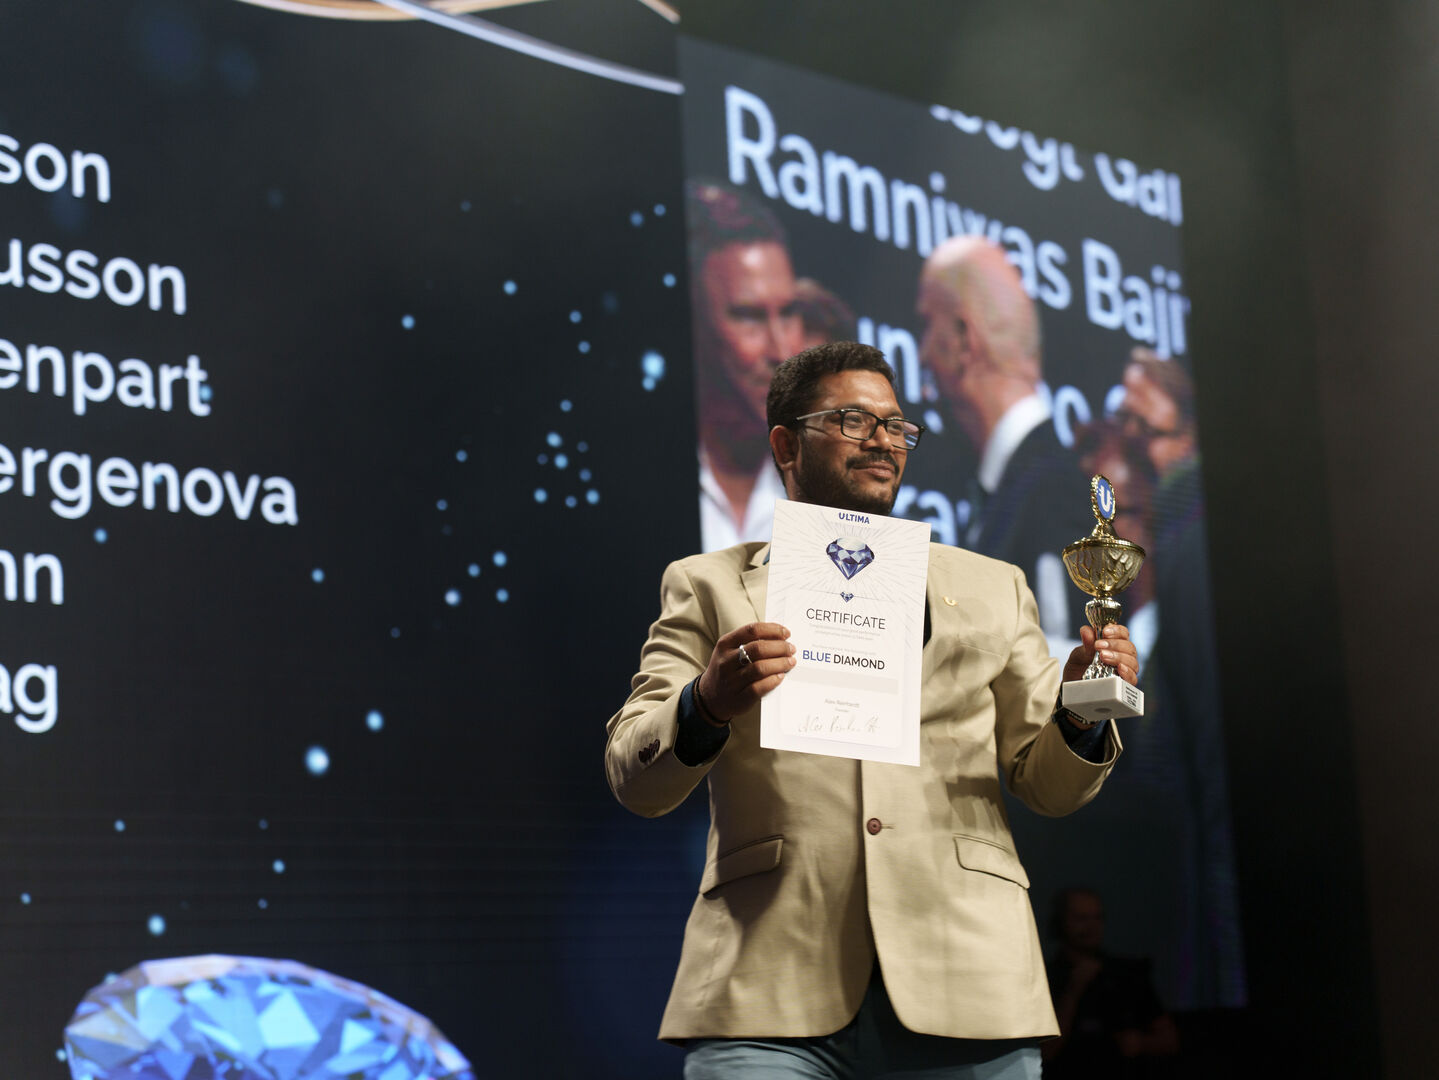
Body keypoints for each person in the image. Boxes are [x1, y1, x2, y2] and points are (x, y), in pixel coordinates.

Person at [606, 342, 1139, 1079]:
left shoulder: (993, 586)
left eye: (895, 425)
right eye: (852, 420)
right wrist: (705, 703)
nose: (883, 440)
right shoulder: (708, 585)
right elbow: (633, 774)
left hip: (965, 970)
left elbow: (1046, 784)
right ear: (785, 445)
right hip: (768, 976)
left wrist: (1080, 711)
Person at [916, 236, 1090, 652]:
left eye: (926, 325)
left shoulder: (1053, 495)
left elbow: (1074, 673)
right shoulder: (1020, 491)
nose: (920, 355)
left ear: (963, 339)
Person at [688, 180, 806, 552]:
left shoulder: (831, 494)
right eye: (748, 317)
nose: (782, 350)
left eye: (788, 313)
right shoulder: (633, 478)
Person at [1042, 888, 1179, 1078]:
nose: (1091, 926)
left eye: (1097, 918)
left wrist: (1140, 1043)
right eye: (1081, 918)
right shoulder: (1046, 977)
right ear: (1060, 923)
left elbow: (1170, 1040)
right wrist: (1073, 992)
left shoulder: (1127, 974)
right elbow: (1044, 1053)